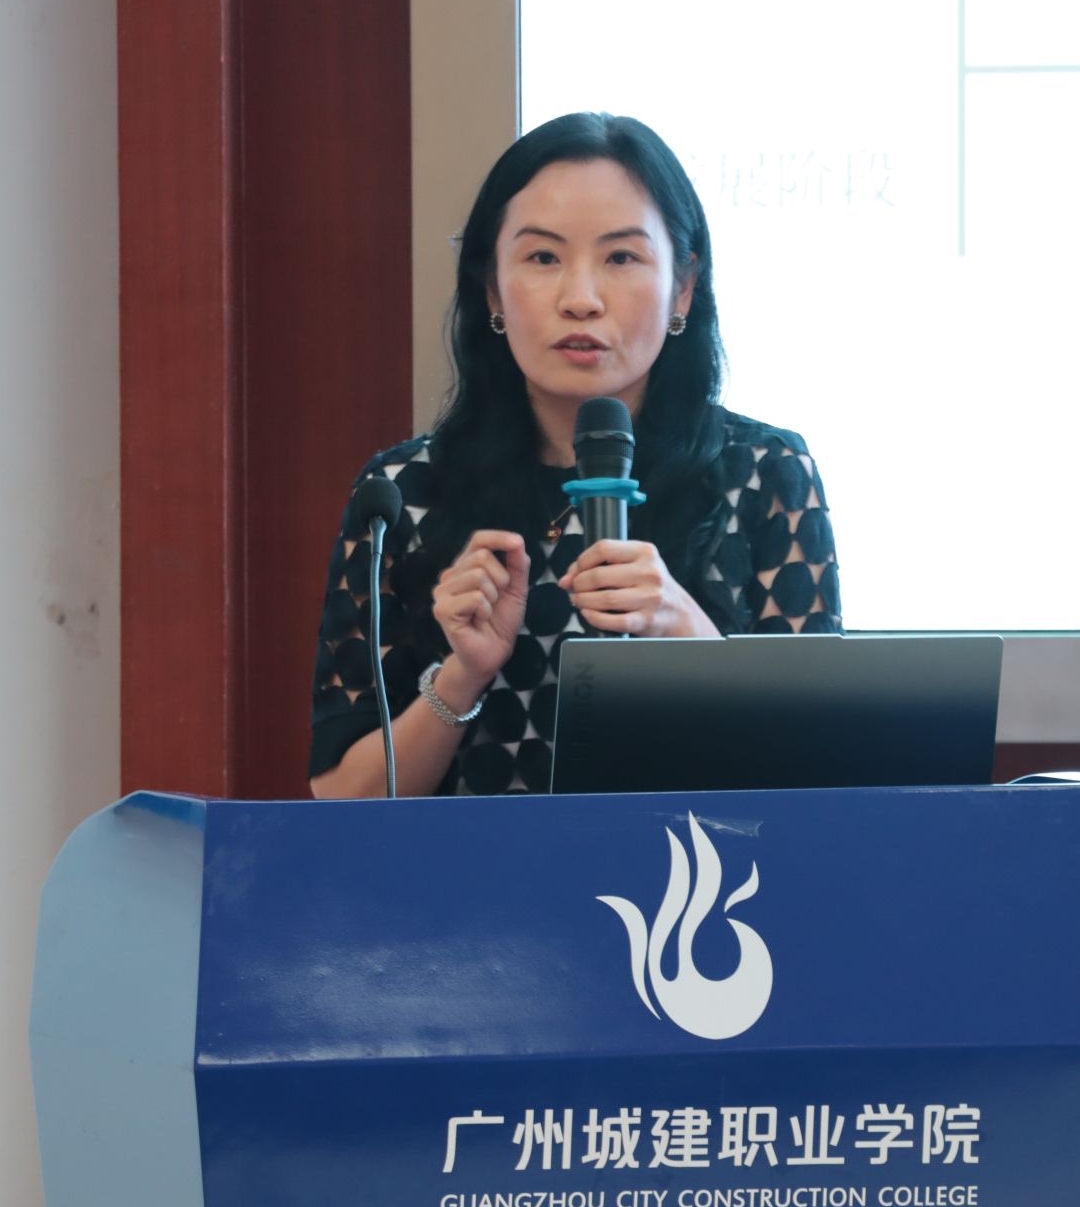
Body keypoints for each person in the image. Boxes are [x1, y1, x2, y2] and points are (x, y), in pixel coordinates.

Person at [308, 112, 839, 798]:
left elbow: (821, 776)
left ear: (683, 286)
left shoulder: (766, 475)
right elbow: (340, 797)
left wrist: (685, 630)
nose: (581, 299)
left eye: (621, 258)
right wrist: (461, 675)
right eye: (543, 258)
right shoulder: (402, 494)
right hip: (480, 871)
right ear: (492, 288)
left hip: (695, 866)